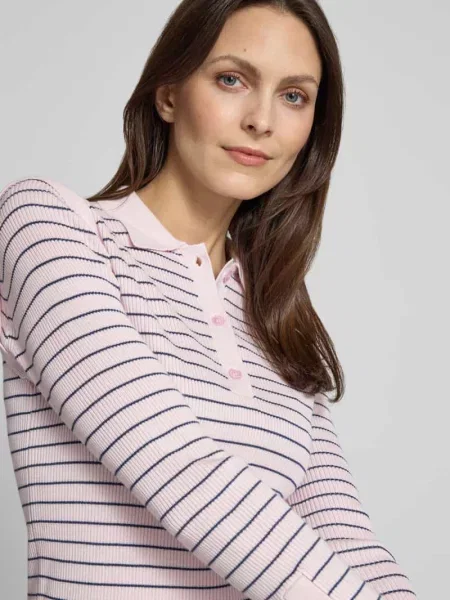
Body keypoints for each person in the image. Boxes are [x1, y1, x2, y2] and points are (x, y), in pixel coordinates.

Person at [0, 1, 417, 599]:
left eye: (294, 96)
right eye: (232, 80)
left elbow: (344, 533)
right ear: (168, 93)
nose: (262, 121)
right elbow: (181, 470)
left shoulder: (275, 314)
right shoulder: (49, 226)